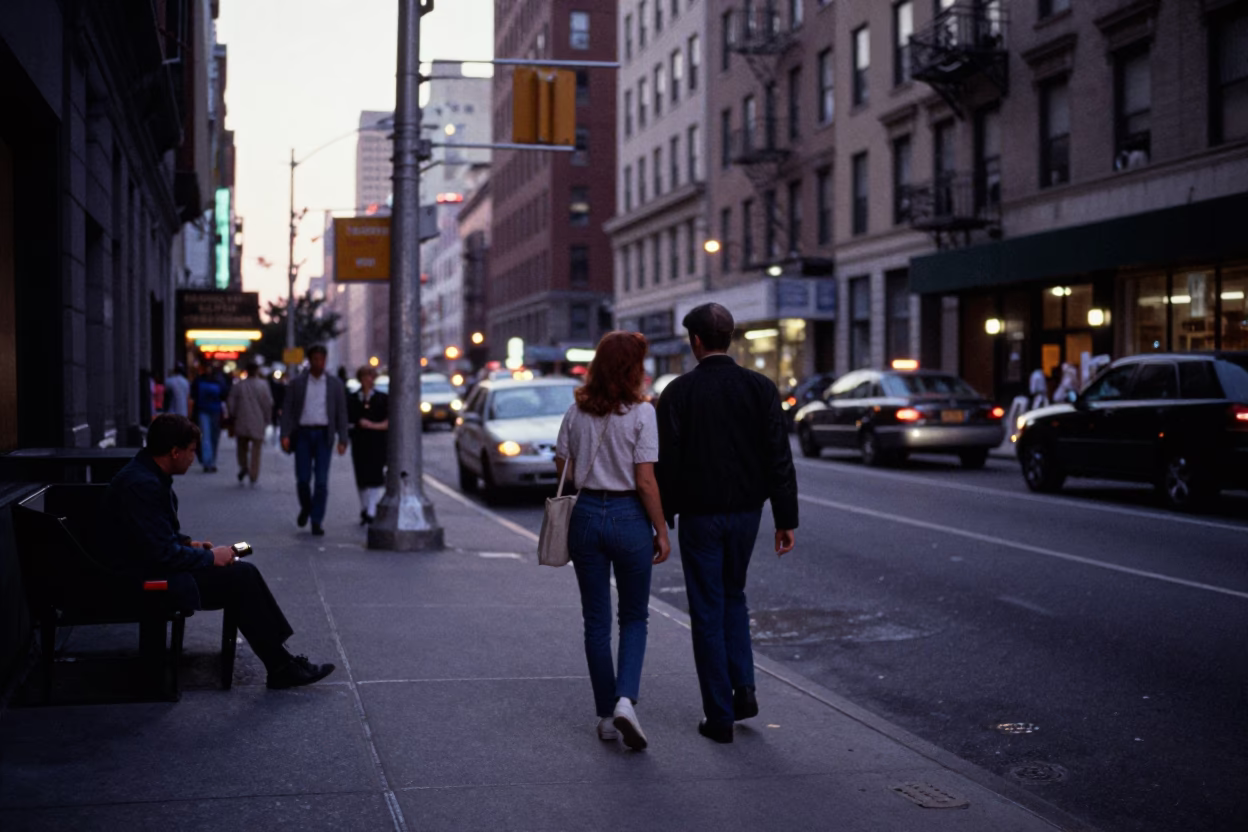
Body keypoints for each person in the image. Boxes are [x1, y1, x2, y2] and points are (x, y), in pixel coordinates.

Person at [104, 413, 335, 689]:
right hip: (141, 579)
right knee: (240, 576)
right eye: (191, 451)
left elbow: (152, 534)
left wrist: (189, 544)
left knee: (240, 572)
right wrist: (211, 557)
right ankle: (281, 664)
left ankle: (281, 661)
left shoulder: (146, 474)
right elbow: (162, 554)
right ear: (174, 452)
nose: (194, 457)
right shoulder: (144, 484)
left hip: (144, 567)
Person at [656, 303, 798, 744]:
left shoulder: (678, 393)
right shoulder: (760, 387)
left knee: (706, 608)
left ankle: (718, 715)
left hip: (700, 516)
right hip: (747, 514)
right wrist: (785, 518)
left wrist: (664, 518)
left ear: (696, 341)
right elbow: (779, 454)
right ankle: (745, 688)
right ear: (730, 338)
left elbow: (667, 465)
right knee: (734, 595)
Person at [554, 331, 670, 751]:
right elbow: (645, 480)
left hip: (585, 516)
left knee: (596, 621)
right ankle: (625, 699)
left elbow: (563, 469)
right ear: (633, 368)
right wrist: (660, 528)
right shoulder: (642, 413)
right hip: (627, 517)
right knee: (635, 616)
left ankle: (606, 715)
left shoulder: (576, 411)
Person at [279, 345, 349, 536]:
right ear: (309, 360)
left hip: (324, 436)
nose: (319, 363)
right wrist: (284, 434)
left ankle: (316, 520)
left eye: (322, 359)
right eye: (315, 359)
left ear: (325, 360)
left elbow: (341, 413)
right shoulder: (297, 383)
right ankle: (306, 507)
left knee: (321, 482)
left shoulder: (335, 385)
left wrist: (343, 438)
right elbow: (288, 410)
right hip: (302, 434)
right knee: (302, 479)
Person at [347, 365, 389, 525]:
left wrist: (371, 425)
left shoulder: (382, 398)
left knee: (376, 476)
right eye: (365, 376)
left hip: (377, 442)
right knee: (362, 476)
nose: (368, 380)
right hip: (360, 443)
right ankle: (365, 508)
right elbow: (349, 420)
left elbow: (388, 422)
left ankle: (371, 510)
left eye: (371, 376)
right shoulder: (352, 398)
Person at [226, 361, 274, 486]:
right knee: (256, 450)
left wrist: (232, 416)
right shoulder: (263, 385)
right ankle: (254, 474)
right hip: (258, 421)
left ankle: (243, 466)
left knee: (241, 448)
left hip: (241, 420)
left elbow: (231, 403)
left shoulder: (239, 385)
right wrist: (268, 419)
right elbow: (268, 404)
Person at [189, 363, 227, 473]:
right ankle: (210, 461)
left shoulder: (199, 381)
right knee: (211, 437)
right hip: (211, 411)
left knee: (207, 437)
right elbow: (224, 395)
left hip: (205, 411)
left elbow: (193, 396)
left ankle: (208, 461)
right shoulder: (219, 381)